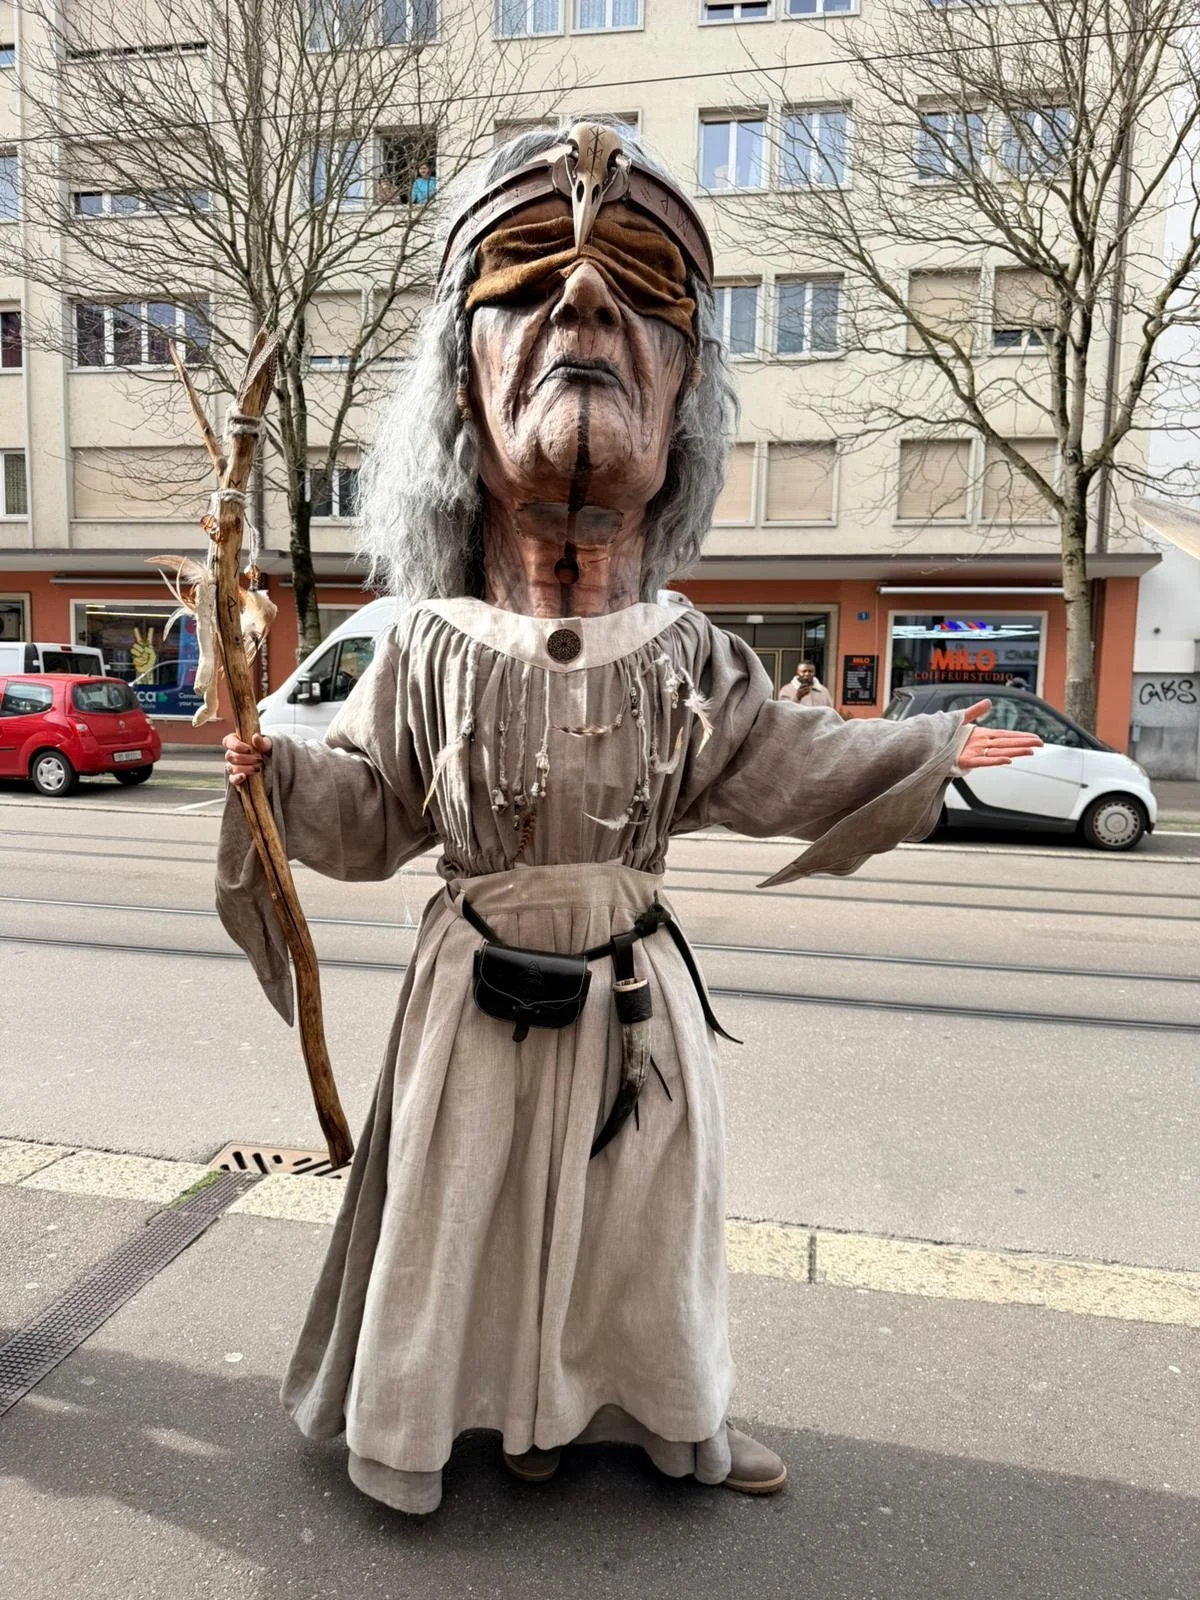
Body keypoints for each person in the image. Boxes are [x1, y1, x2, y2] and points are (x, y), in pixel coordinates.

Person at [220, 122, 1039, 1516]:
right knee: (459, 1209)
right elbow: (370, 817)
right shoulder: (421, 644)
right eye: (527, 274)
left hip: (632, 1006)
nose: (585, 301)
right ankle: (450, 1421)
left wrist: (935, 742)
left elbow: (794, 763)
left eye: (639, 282)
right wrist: (271, 771)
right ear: (455, 398)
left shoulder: (689, 655)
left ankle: (662, 1415)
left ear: (689, 394)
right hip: (470, 999)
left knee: (639, 1228)